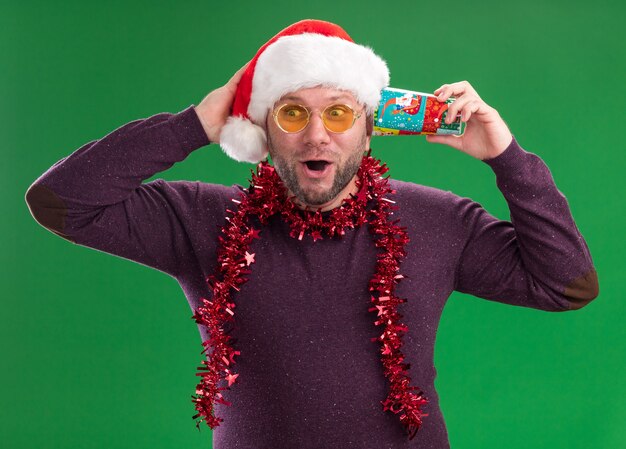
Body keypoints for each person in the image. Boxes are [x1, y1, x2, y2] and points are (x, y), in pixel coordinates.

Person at [25, 19, 599, 449]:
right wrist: (196, 124)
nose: (317, 136)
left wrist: (506, 155)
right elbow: (60, 202)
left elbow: (566, 284)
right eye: (293, 113)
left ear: (371, 128)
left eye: (340, 113)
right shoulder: (202, 219)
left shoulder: (439, 221)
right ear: (263, 133)